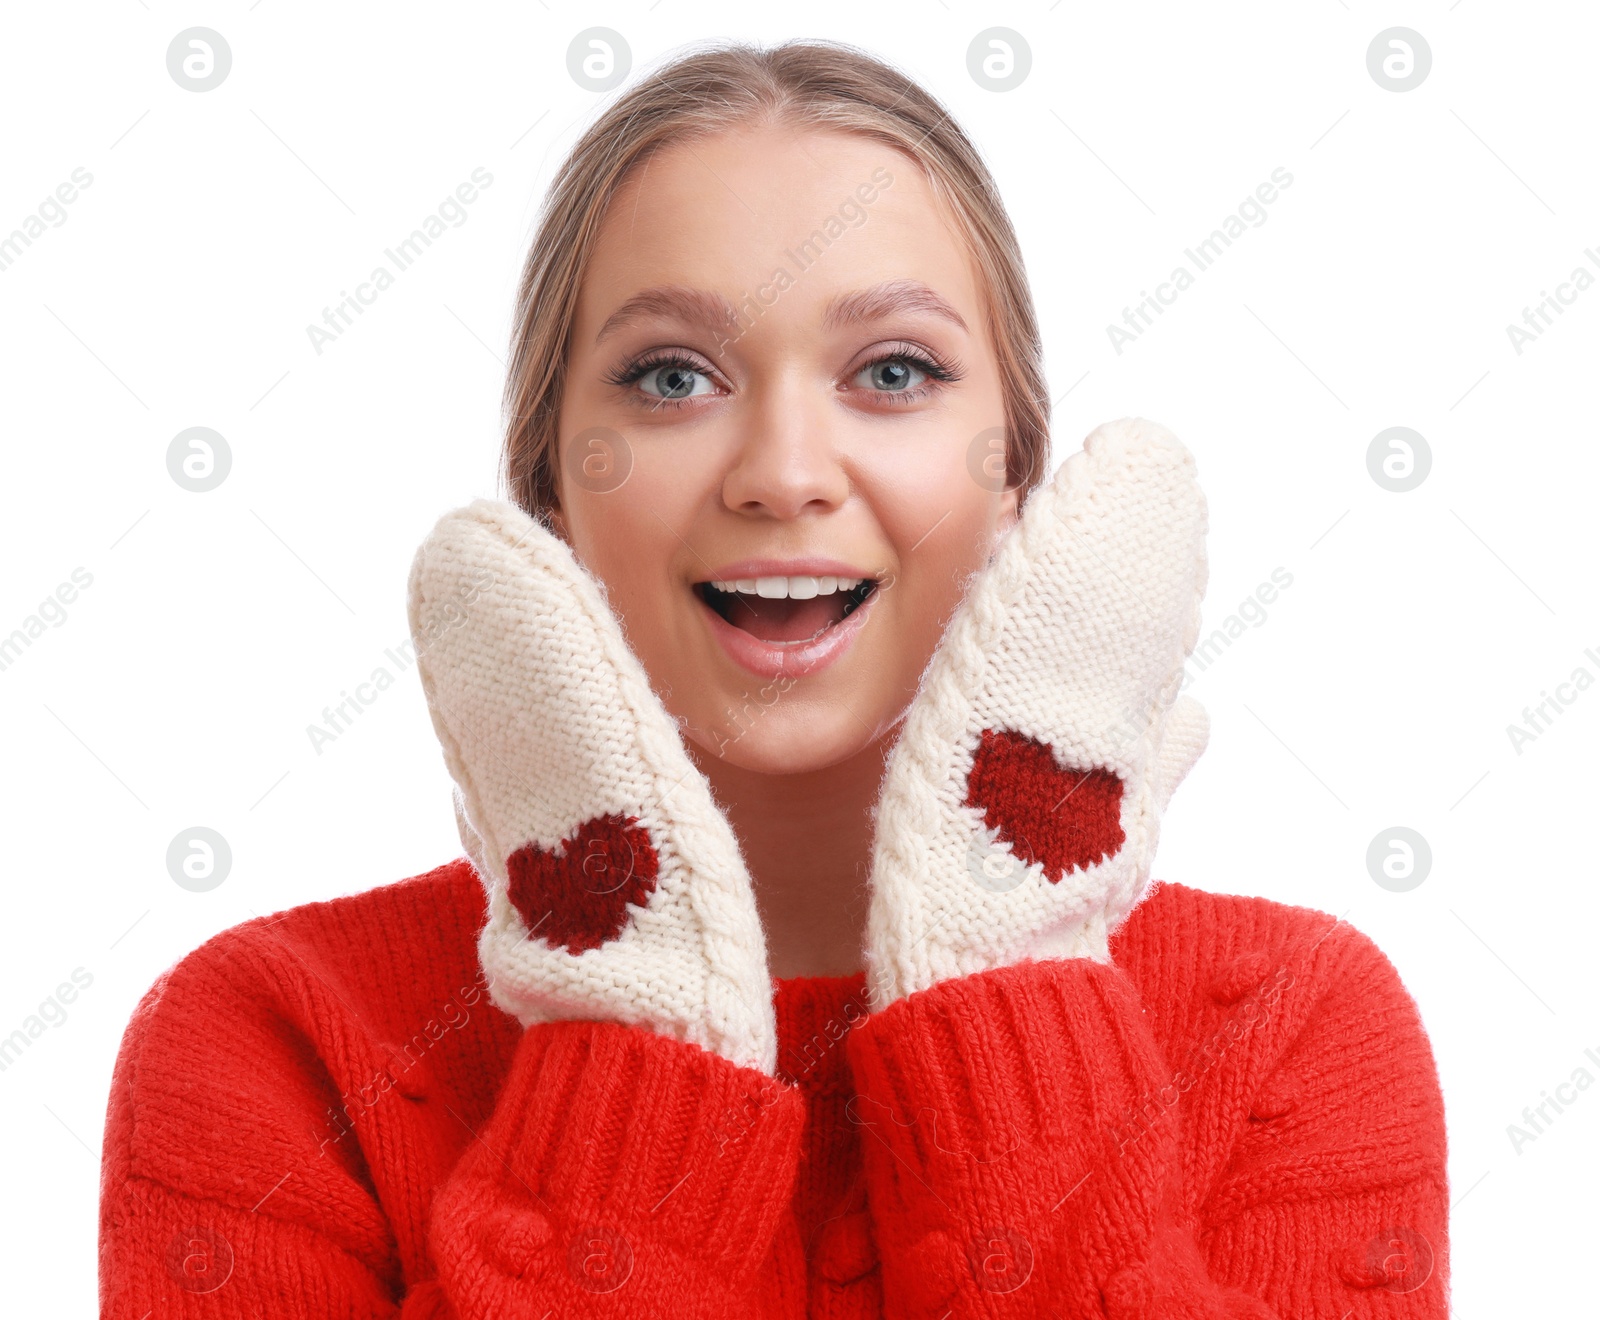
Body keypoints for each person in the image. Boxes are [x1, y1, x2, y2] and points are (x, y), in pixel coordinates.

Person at [98, 39, 1449, 1317]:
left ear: (1017, 480)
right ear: (552, 491)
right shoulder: (273, 1041)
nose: (784, 472)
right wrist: (632, 1020)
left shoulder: (1297, 1028)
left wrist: (1004, 974)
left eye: (896, 370)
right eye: (673, 376)